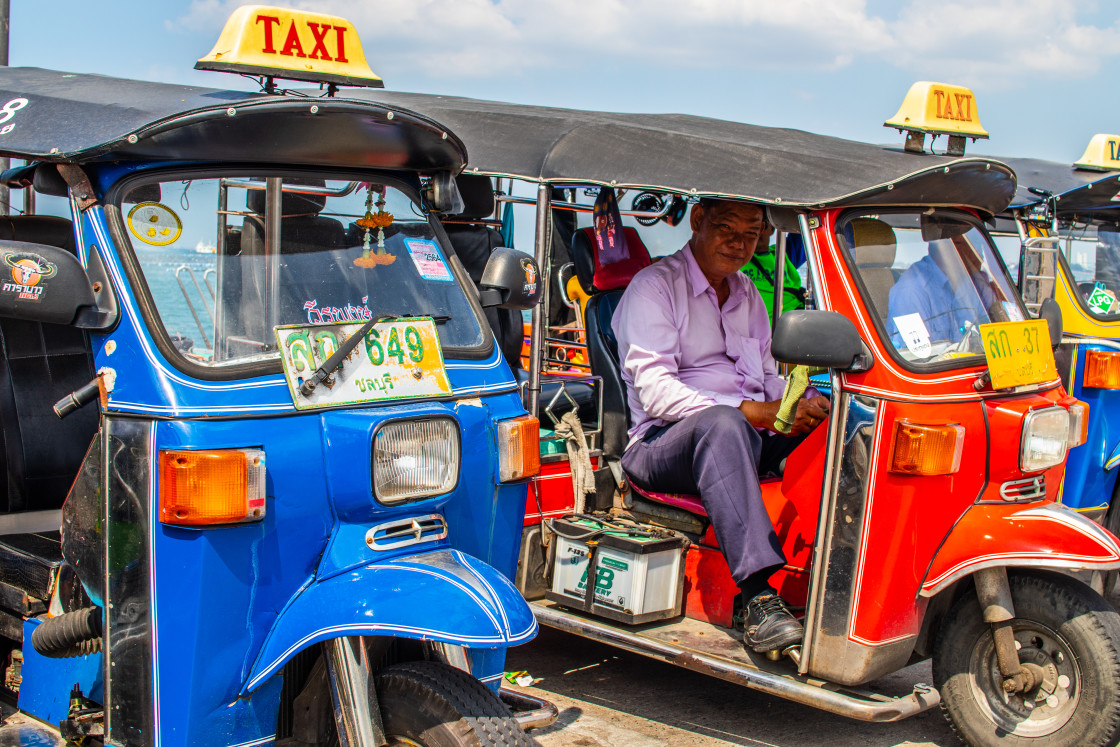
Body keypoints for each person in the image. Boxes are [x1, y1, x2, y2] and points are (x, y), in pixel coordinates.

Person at [612, 198, 829, 653]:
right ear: (697, 222)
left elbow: (768, 378)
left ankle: (831, 570)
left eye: (751, 235)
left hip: (743, 433)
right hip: (660, 443)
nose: (739, 243)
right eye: (728, 229)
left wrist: (804, 403)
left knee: (840, 427)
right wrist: (752, 412)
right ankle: (758, 597)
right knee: (724, 424)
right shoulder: (654, 287)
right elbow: (656, 392)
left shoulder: (747, 292)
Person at [741, 219, 807, 323]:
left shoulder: (782, 254)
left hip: (797, 322)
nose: (757, 232)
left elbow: (803, 229)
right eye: (751, 227)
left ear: (772, 228)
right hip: (759, 331)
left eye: (762, 226)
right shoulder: (735, 260)